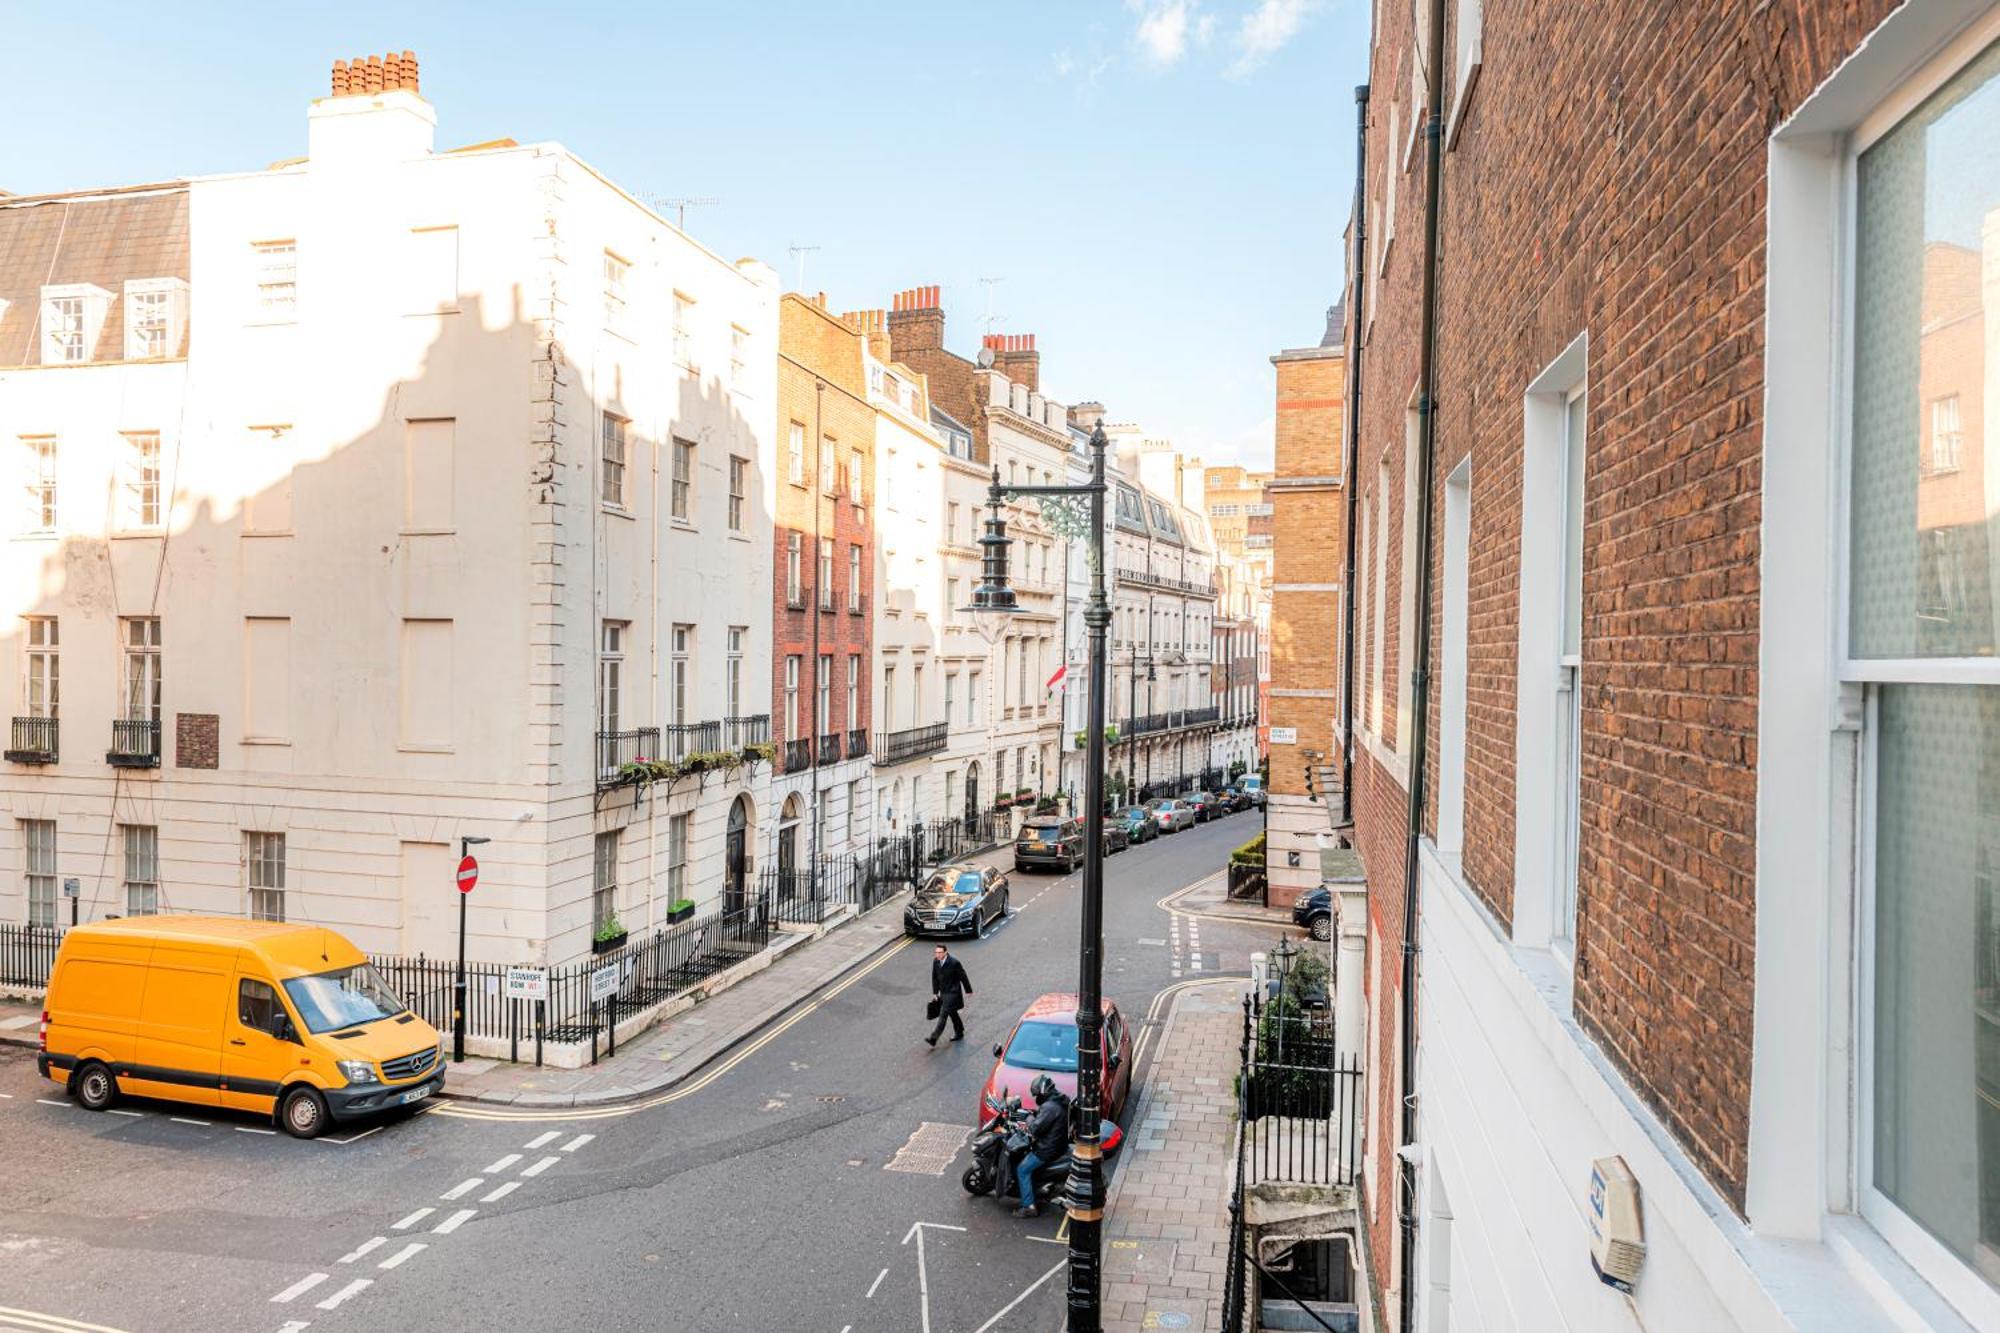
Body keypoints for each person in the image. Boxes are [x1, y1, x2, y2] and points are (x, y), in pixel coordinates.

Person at [1012, 1073, 1071, 1218]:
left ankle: (1029, 1206)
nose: (1036, 1098)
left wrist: (1029, 1117)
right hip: (1059, 1144)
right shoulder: (1058, 1100)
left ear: (1043, 1092)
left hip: (1047, 1149)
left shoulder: (1049, 1107)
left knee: (1022, 1169)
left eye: (1037, 1094)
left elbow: (1035, 1129)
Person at [926, 944, 972, 1046]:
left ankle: (933, 1038)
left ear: (945, 952)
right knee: (952, 1013)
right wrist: (935, 992)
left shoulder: (954, 962)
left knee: (943, 1014)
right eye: (936, 952)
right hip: (943, 992)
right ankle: (959, 1032)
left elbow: (963, 976)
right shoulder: (936, 961)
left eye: (940, 952)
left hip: (953, 992)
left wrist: (968, 990)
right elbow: (934, 977)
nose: (937, 954)